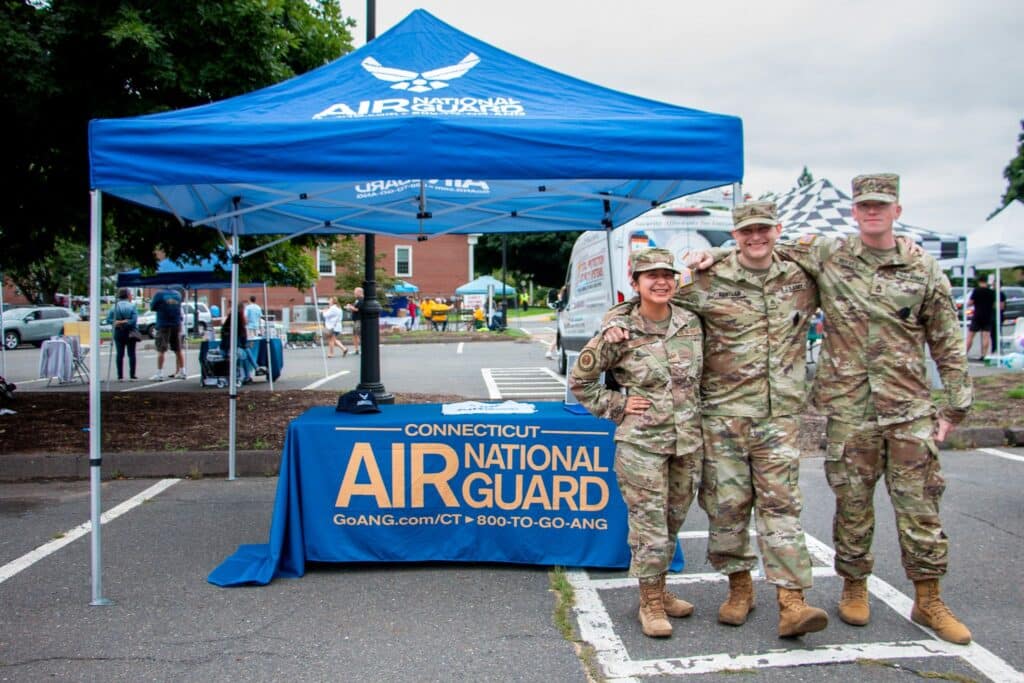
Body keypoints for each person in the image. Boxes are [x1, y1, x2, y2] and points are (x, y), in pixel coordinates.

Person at [603, 202, 829, 638]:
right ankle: (739, 588)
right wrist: (613, 322)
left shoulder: (802, 278)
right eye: (746, 232)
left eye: (763, 229)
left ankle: (793, 603)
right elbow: (651, 302)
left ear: (777, 229)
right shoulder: (708, 280)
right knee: (726, 509)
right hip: (723, 417)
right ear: (736, 234)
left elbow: (841, 260)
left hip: (779, 417)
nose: (756, 237)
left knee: (782, 508)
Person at [768, 174, 973, 644]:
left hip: (908, 409)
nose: (872, 212)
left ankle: (928, 599)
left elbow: (946, 339)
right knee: (852, 507)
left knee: (921, 507)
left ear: (897, 211)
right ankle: (854, 586)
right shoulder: (829, 254)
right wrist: (706, 257)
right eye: (864, 205)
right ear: (854, 212)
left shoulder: (923, 267)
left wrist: (955, 407)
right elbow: (760, 248)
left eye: (881, 205)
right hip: (850, 410)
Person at [570, 247, 704, 639]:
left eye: (667, 275)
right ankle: (649, 603)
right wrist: (618, 404)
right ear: (635, 283)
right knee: (649, 526)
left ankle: (660, 590)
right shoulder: (619, 332)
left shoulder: (691, 322)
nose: (661, 282)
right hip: (641, 444)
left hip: (686, 443)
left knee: (672, 522)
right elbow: (580, 382)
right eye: (651, 276)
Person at [149, 285, 186, 381]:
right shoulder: (177, 294)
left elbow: (152, 307)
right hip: (176, 324)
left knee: (161, 350)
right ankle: (182, 371)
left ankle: (160, 373)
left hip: (163, 324)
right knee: (178, 349)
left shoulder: (159, 294)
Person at [964, 274, 1005, 361]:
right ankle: (984, 355)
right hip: (988, 316)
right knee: (986, 336)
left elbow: (970, 303)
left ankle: (965, 353)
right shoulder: (991, 292)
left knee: (970, 336)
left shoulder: (976, 291)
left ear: (979, 282)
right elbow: (995, 305)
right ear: (986, 281)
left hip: (977, 315)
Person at [105, 288, 140, 381]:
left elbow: (108, 320)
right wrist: (126, 322)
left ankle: (120, 376)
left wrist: (117, 322)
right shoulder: (132, 306)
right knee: (131, 354)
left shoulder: (114, 307)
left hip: (118, 331)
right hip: (130, 332)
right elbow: (134, 320)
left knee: (120, 354)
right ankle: (132, 375)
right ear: (128, 295)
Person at [221, 303, 255, 384]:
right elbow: (243, 339)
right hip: (232, 348)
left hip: (225, 347)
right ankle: (251, 372)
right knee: (245, 353)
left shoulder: (229, 320)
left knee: (246, 351)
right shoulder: (240, 322)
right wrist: (245, 345)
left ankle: (251, 372)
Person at [546, 286, 566, 359]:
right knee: (559, 335)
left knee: (559, 335)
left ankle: (556, 350)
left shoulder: (552, 303)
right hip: (563, 317)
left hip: (560, 317)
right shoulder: (559, 299)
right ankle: (550, 351)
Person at [345, 287, 364, 354]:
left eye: (355, 292)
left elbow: (358, 309)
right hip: (356, 320)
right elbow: (355, 308)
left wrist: (350, 307)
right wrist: (350, 306)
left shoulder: (362, 300)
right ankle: (356, 350)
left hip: (359, 320)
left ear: (359, 292)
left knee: (359, 335)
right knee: (355, 335)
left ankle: (363, 349)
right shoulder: (357, 300)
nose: (354, 293)